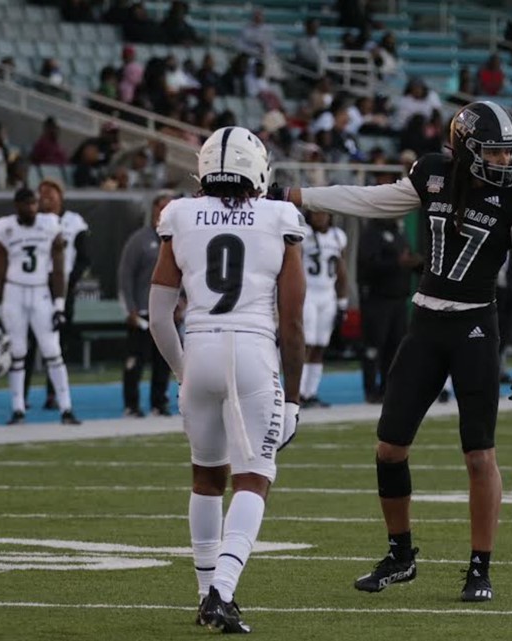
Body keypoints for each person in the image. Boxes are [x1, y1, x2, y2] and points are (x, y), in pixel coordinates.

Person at [271, 100, 512, 601]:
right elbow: (372, 199)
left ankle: (480, 568)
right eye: (494, 153)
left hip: (475, 328)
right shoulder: (433, 175)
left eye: (508, 154)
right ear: (467, 149)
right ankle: (401, 555)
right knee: (389, 448)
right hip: (424, 322)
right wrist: (297, 195)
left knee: (479, 455)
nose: (505, 163)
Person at [148, 126, 306, 633]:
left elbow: (158, 315)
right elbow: (295, 321)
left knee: (205, 476)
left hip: (199, 347)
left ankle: (203, 594)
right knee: (254, 478)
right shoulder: (280, 217)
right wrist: (296, 397)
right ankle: (221, 591)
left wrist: (181, 369)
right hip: (253, 351)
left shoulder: (178, 214)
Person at [0, 188, 81, 425]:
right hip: (14, 292)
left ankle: (66, 408)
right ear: (16, 205)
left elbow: (58, 268)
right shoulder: (4, 228)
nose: (31, 208)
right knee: (18, 352)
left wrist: (59, 304)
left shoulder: (50, 223)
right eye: (26, 204)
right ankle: (18, 408)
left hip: (40, 291)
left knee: (52, 350)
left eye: (34, 204)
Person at [25, 179, 89, 410]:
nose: (46, 198)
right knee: (29, 342)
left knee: (57, 342)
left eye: (51, 193)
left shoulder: (74, 222)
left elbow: (83, 257)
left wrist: (69, 282)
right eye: (42, 194)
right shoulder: (32, 222)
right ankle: (22, 394)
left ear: (61, 196)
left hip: (63, 288)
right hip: (36, 286)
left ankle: (53, 394)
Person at [118, 191, 173, 417]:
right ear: (154, 210)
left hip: (167, 312)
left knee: (164, 361)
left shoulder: (178, 240)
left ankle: (158, 403)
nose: (164, 212)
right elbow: (125, 275)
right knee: (135, 360)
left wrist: (182, 303)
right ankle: (131, 404)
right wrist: (128, 308)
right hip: (141, 311)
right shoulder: (140, 240)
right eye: (161, 207)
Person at [357, 213, 420, 403]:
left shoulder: (399, 232)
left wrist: (416, 262)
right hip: (377, 298)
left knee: (395, 348)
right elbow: (367, 265)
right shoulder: (371, 233)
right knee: (374, 346)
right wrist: (396, 263)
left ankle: (387, 388)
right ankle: (370, 389)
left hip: (399, 298)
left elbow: (406, 258)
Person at [299, 210, 348, 408]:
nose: (320, 218)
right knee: (306, 343)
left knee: (320, 345)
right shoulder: (302, 234)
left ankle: (311, 392)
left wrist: (342, 302)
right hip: (308, 293)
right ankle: (297, 392)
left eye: (324, 214)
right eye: (316, 214)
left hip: (328, 295)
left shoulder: (338, 236)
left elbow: (341, 270)